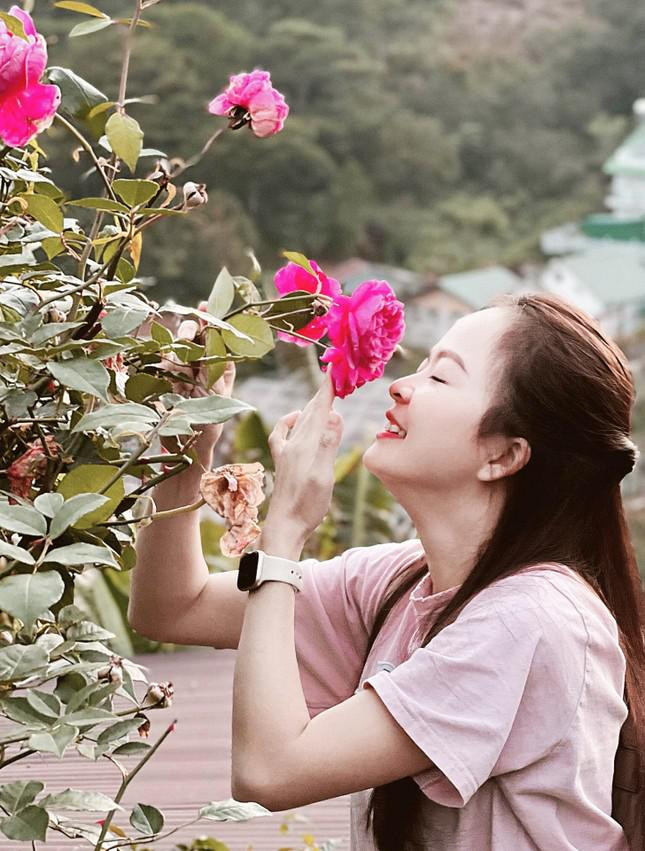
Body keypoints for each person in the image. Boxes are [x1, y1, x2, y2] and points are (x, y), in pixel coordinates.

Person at [129, 291, 645, 851]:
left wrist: (286, 530)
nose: (401, 386)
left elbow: (269, 773)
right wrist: (188, 445)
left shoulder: (531, 620)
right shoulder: (401, 581)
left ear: (503, 455)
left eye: (441, 377)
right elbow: (172, 607)